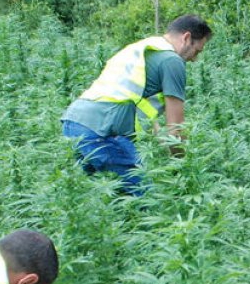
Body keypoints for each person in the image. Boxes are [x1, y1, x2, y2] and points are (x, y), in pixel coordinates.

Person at [61, 14, 212, 195]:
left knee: (98, 201)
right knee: (145, 197)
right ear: (186, 38)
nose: (194, 59)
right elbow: (176, 130)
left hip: (73, 123)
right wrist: (184, 169)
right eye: (197, 51)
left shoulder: (143, 48)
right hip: (102, 132)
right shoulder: (172, 61)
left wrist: (160, 154)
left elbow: (149, 119)